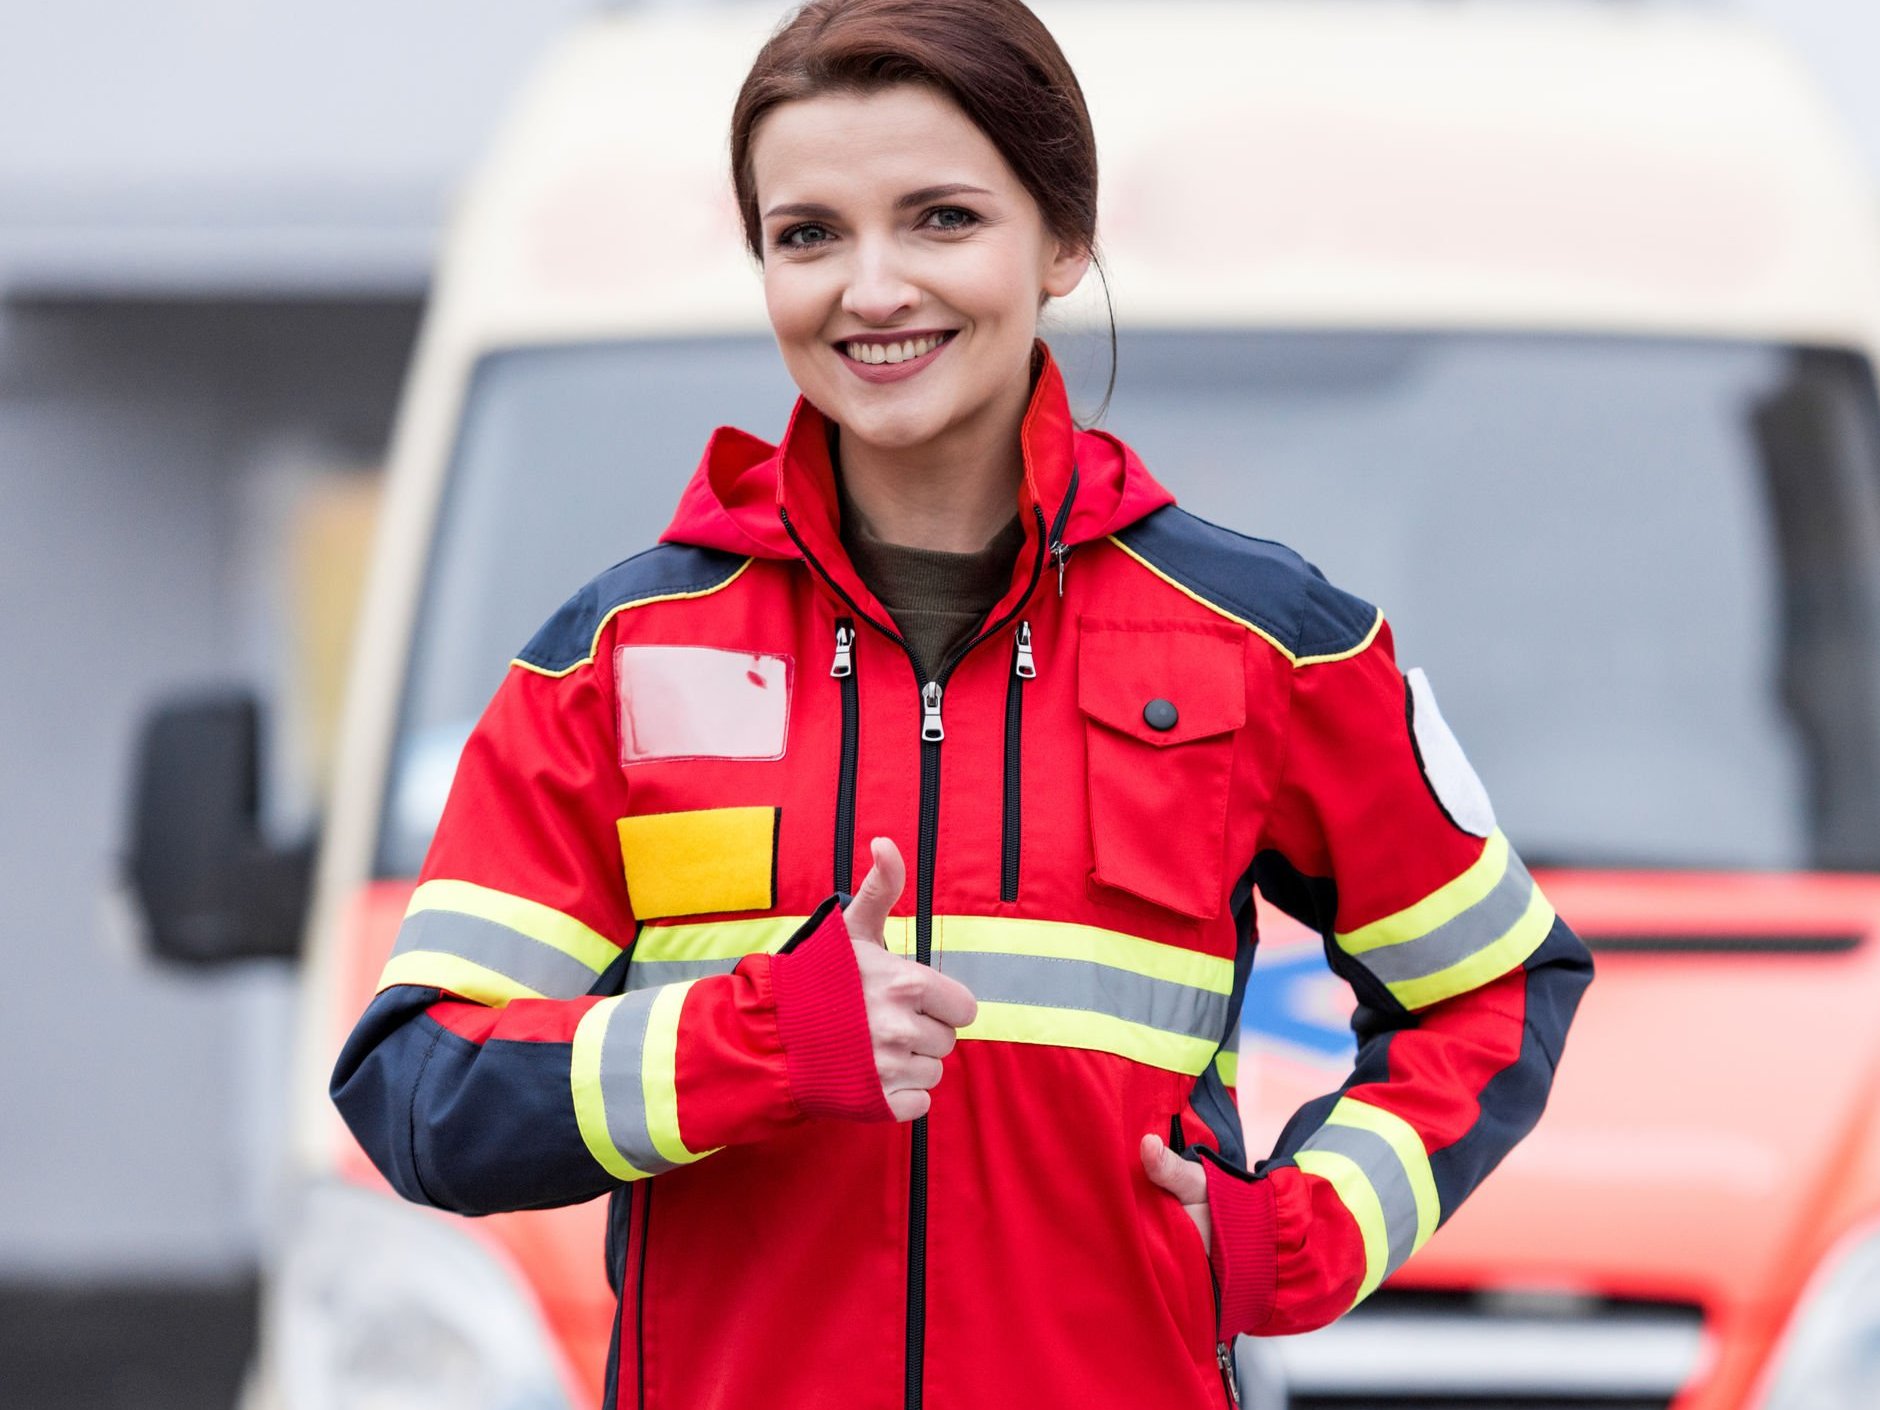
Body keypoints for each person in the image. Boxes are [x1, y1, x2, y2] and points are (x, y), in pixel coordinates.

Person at [330, 1, 1591, 1405]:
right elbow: (417, 1088)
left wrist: (1296, 1235)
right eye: (808, 234)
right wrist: (758, 1037)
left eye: (939, 219)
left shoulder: (1265, 643)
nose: (871, 289)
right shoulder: (618, 659)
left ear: (1062, 241)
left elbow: (1495, 982)